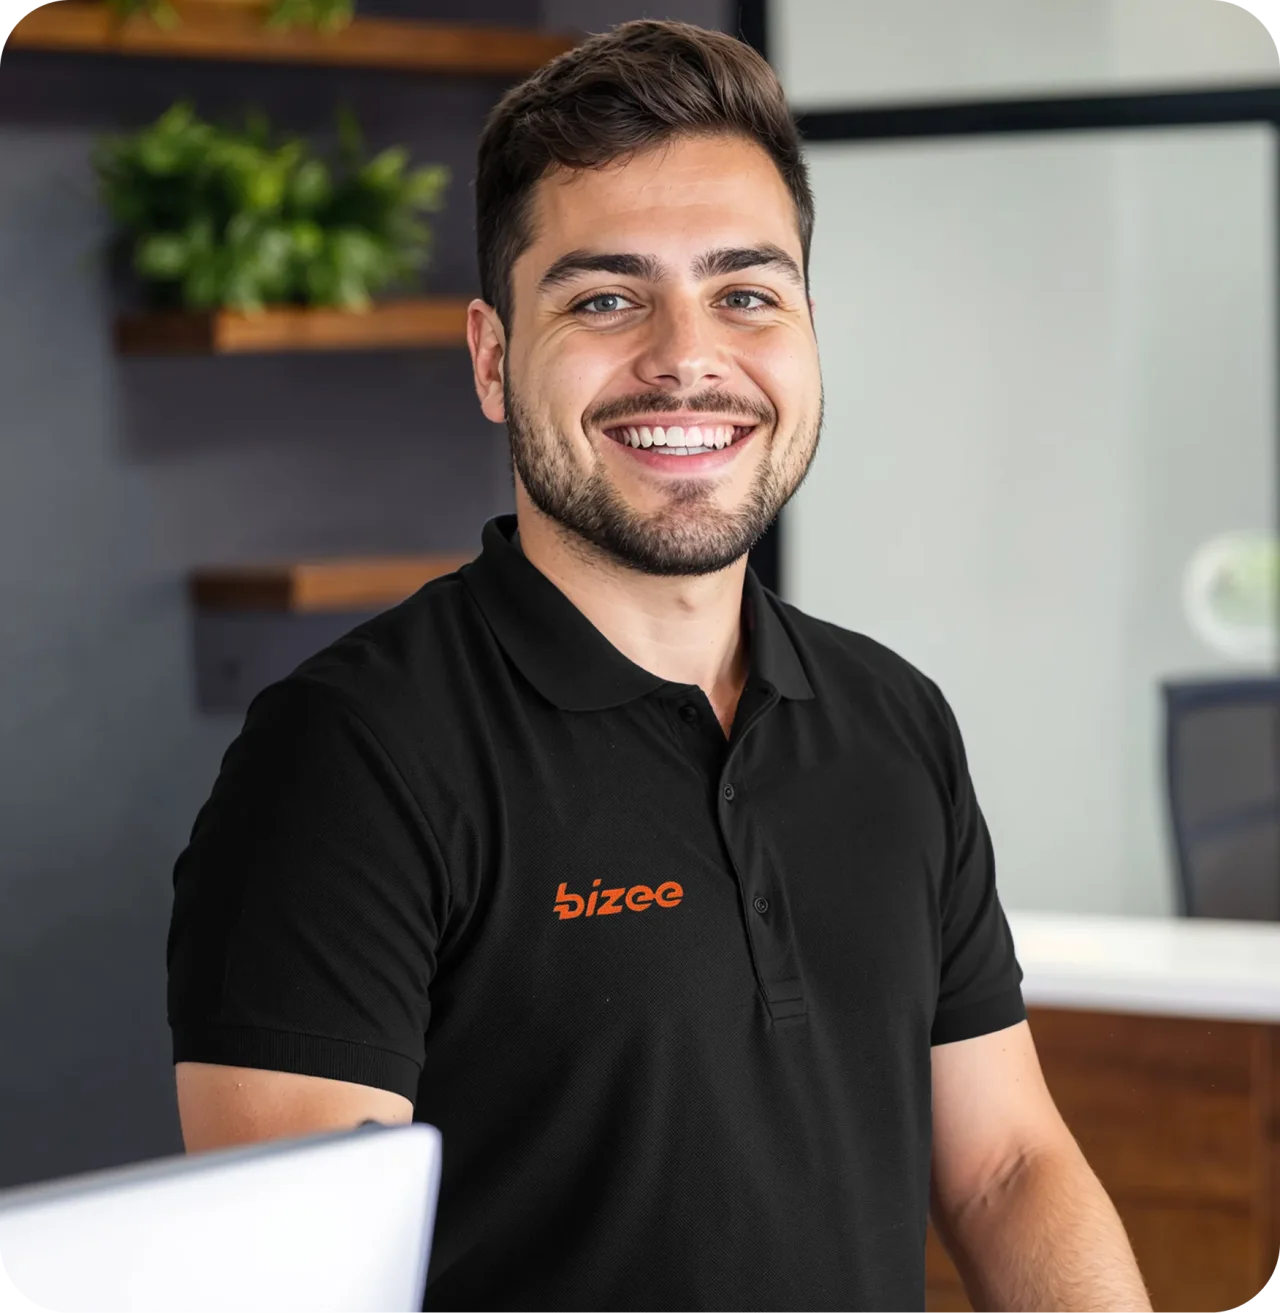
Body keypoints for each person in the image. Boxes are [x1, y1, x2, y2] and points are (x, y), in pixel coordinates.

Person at [166, 19, 1153, 1312]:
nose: (688, 356)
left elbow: (1007, 1169)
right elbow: (291, 1288)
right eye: (605, 298)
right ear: (490, 357)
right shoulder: (349, 758)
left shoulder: (892, 723)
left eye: (747, 292)